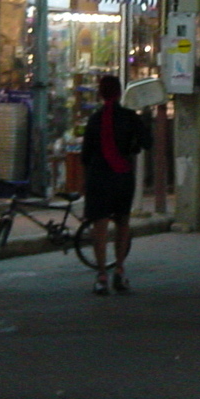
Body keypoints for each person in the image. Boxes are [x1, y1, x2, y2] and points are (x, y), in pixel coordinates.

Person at [81, 76, 144, 293]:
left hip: (99, 176)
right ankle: (119, 270)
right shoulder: (129, 117)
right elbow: (148, 141)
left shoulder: (95, 120)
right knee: (122, 223)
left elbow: (85, 155)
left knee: (100, 227)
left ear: (100, 94)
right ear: (119, 93)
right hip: (122, 176)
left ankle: (101, 276)